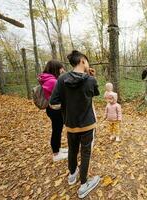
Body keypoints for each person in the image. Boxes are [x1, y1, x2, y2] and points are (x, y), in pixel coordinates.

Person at [49, 50, 100, 198]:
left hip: (70, 125)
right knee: (86, 153)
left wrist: (67, 109)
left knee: (72, 150)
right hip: (88, 125)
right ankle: (84, 184)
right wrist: (91, 77)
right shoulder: (91, 80)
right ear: (83, 61)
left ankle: (72, 175)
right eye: (87, 62)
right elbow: (94, 94)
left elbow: (53, 103)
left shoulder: (62, 79)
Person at [38, 60, 68, 162]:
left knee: (57, 129)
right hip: (55, 109)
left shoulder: (48, 79)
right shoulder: (53, 81)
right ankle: (56, 154)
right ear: (56, 69)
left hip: (51, 108)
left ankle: (58, 149)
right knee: (56, 130)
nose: (63, 70)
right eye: (61, 68)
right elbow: (63, 94)